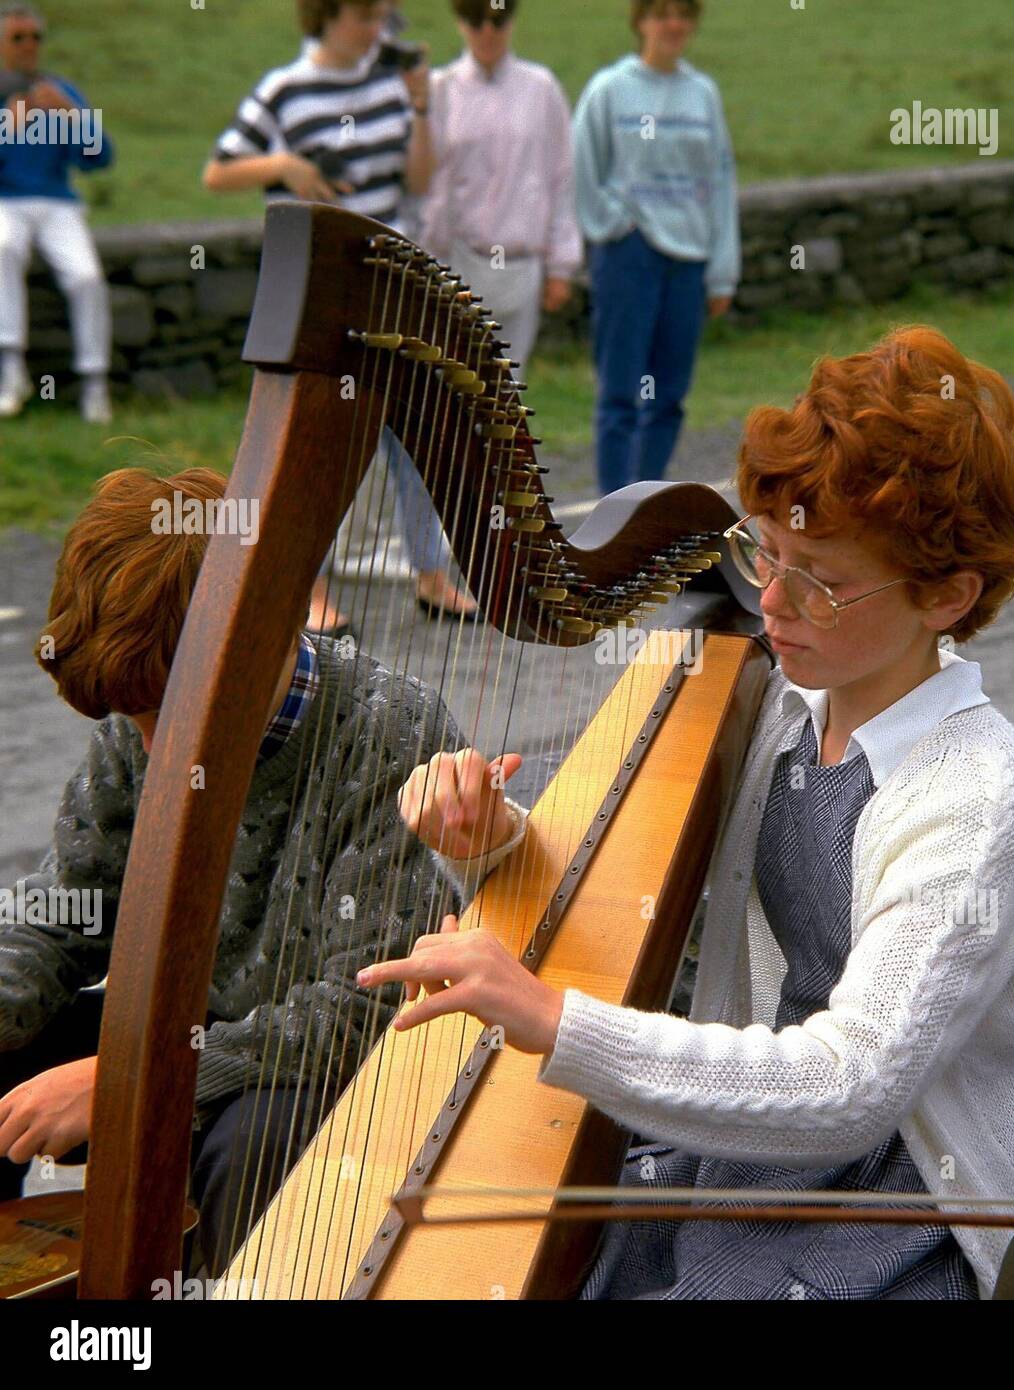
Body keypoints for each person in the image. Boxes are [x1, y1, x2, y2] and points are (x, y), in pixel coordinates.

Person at [360, 325, 1014, 1300]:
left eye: (821, 581)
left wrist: (550, 1017)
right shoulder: (794, 708)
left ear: (945, 594)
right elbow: (625, 892)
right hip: (765, 1161)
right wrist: (493, 838)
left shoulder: (976, 799)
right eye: (767, 555)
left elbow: (849, 1085)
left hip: (915, 1202)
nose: (774, 602)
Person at [0, 465, 526, 1274]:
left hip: (300, 1079)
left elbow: (359, 1011)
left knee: (257, 1141)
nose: (148, 746)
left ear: (256, 642)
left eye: (162, 715)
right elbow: (65, 911)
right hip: (173, 1038)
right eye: (131, 721)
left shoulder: (389, 729)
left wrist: (127, 1080)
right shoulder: (146, 711)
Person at [201, 0, 435, 637]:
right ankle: (310, 585)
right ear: (327, 16)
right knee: (314, 441)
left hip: (390, 284)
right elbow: (217, 171)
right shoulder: (284, 90)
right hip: (315, 291)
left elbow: (420, 179)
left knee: (414, 433)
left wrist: (419, 107)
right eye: (367, 14)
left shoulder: (391, 85)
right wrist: (282, 166)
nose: (379, 28)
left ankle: (432, 570)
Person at [393, 0, 584, 620]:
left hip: (521, 267)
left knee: (503, 415)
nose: (488, 33)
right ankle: (435, 563)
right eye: (476, 21)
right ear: (460, 24)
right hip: (458, 263)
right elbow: (429, 186)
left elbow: (561, 177)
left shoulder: (542, 89)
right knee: (442, 413)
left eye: (498, 21)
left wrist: (562, 262)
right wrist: (429, 269)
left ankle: (501, 555)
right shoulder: (442, 90)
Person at [572, 0, 739, 495]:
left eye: (683, 15)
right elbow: (582, 167)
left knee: (668, 396)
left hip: (688, 260)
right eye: (661, 13)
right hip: (630, 254)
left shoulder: (702, 93)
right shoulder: (610, 89)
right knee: (621, 393)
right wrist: (612, 224)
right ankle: (614, 508)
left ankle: (646, 500)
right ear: (640, 20)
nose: (673, 25)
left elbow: (721, 180)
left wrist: (722, 271)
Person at [0, 3, 113, 424]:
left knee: (85, 276)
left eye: (35, 37)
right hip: (5, 201)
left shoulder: (58, 92)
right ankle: (10, 370)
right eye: (18, 38)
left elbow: (99, 159)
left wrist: (71, 114)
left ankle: (94, 384)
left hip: (58, 203)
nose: (29, 46)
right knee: (3, 249)